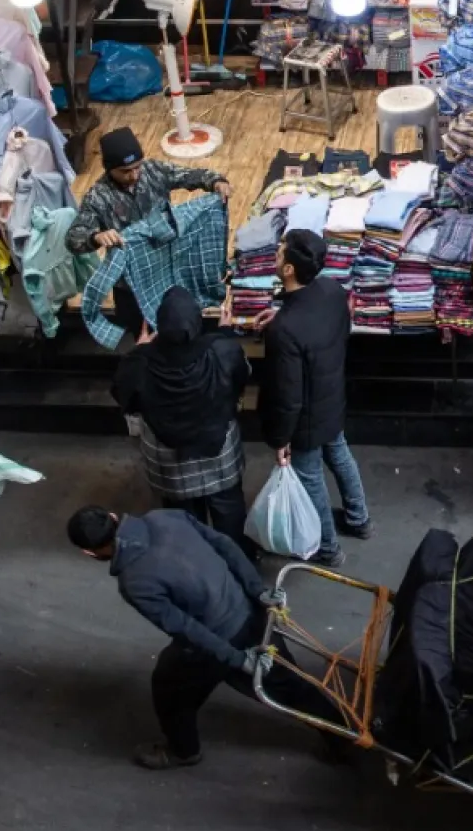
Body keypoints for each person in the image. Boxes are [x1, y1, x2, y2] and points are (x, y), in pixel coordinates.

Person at [67, 506, 347, 769]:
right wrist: (257, 589)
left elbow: (185, 628)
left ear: (89, 554)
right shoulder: (165, 517)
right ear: (114, 516)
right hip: (249, 609)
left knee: (170, 689)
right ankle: (343, 738)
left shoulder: (135, 581)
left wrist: (237, 659)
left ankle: (183, 751)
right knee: (289, 685)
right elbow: (224, 544)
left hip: (223, 635)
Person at [112, 286, 258, 561]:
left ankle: (197, 564)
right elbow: (242, 376)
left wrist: (138, 352)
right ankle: (237, 560)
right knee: (228, 510)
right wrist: (224, 335)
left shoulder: (139, 363)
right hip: (218, 453)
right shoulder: (221, 350)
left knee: (185, 519)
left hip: (169, 461)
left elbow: (124, 397)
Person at [256, 230, 373, 569]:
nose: (276, 254)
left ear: (289, 269)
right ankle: (359, 519)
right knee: (339, 452)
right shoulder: (332, 290)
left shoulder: (285, 331)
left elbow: (287, 394)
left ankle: (328, 548)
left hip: (305, 417)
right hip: (332, 396)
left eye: (280, 252)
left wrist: (280, 439)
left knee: (310, 478)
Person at [67, 127, 234, 338]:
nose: (134, 175)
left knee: (184, 330)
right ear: (110, 169)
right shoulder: (98, 197)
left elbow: (190, 175)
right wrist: (96, 237)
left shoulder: (153, 171)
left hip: (168, 273)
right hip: (132, 287)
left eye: (137, 167)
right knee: (144, 340)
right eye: (125, 171)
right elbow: (73, 238)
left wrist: (216, 181)